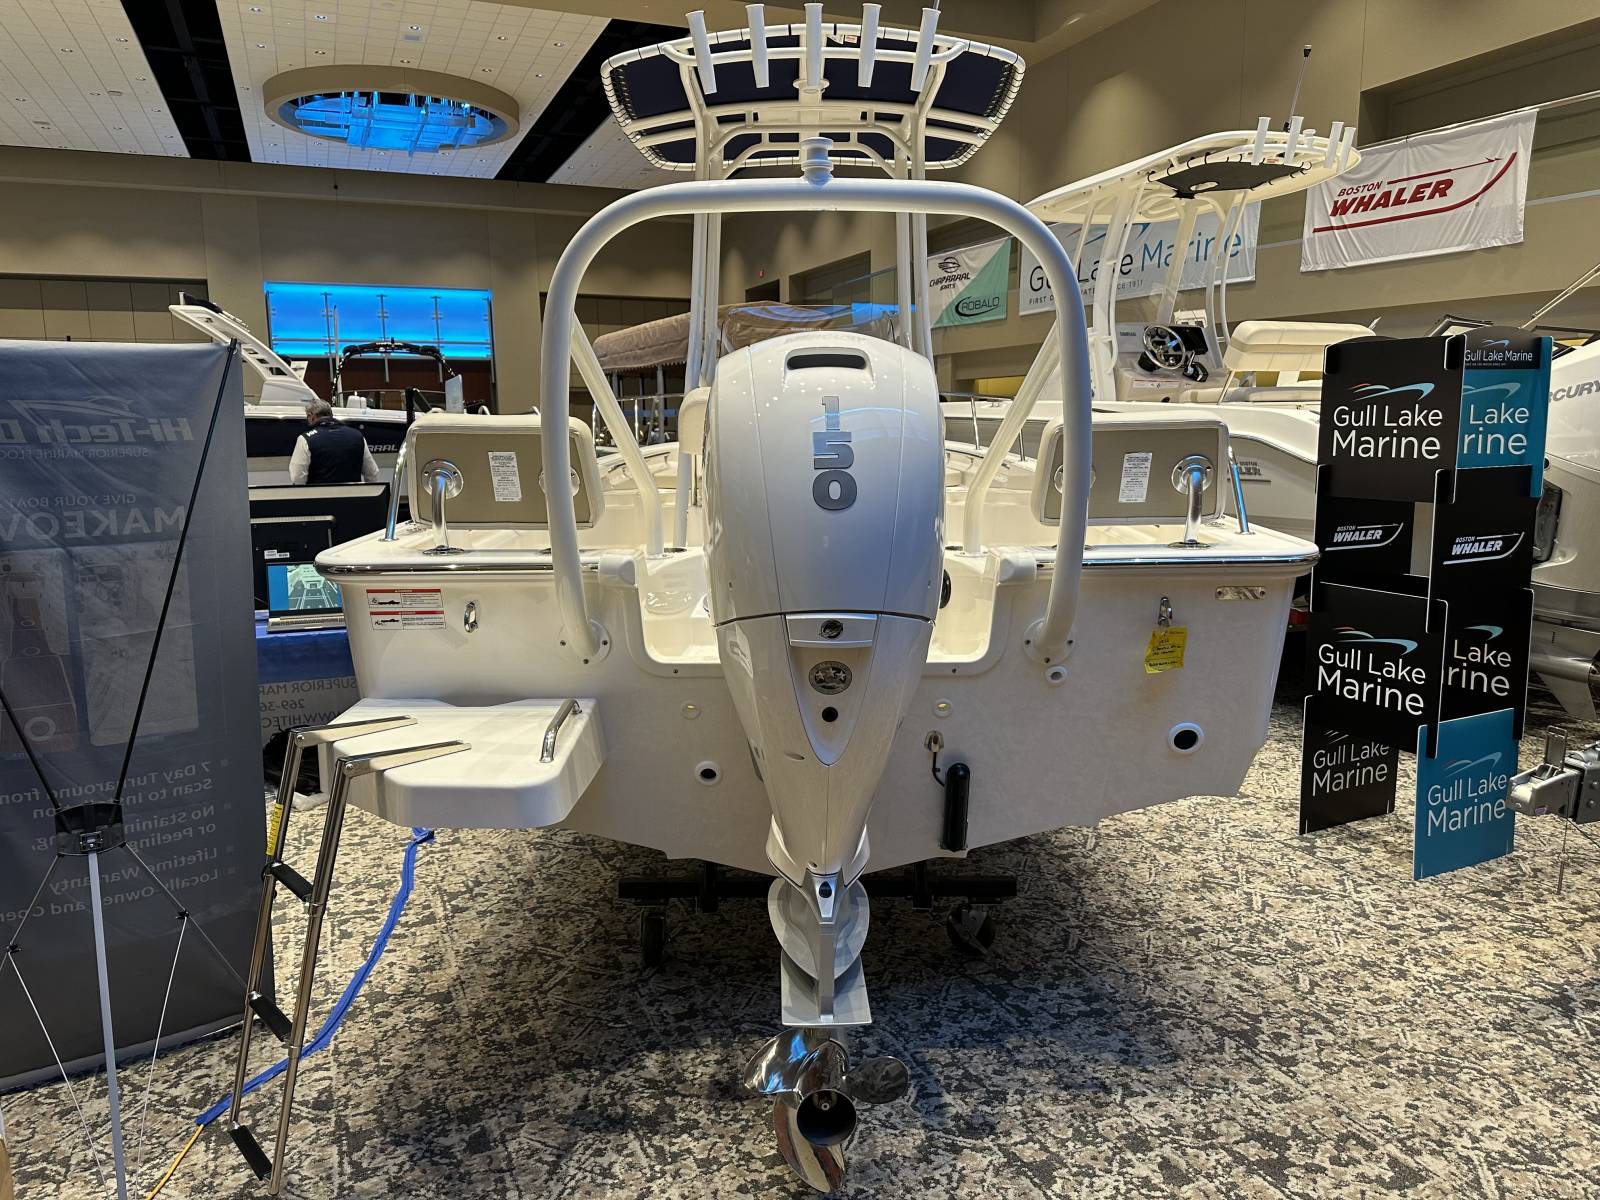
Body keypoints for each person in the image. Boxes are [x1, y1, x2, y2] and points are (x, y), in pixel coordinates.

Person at [288, 399, 381, 485]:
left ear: (311, 417)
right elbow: (372, 473)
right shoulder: (357, 436)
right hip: (353, 496)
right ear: (331, 414)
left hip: (319, 495)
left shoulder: (305, 439)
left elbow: (297, 478)